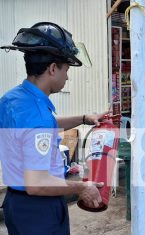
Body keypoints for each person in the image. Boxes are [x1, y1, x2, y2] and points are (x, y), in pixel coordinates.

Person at [0, 22, 107, 235]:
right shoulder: (37, 115)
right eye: (66, 70)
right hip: (39, 210)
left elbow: (42, 126)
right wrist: (81, 187)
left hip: (15, 204)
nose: (67, 77)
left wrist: (85, 118)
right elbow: (37, 184)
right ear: (52, 69)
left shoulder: (14, 99)